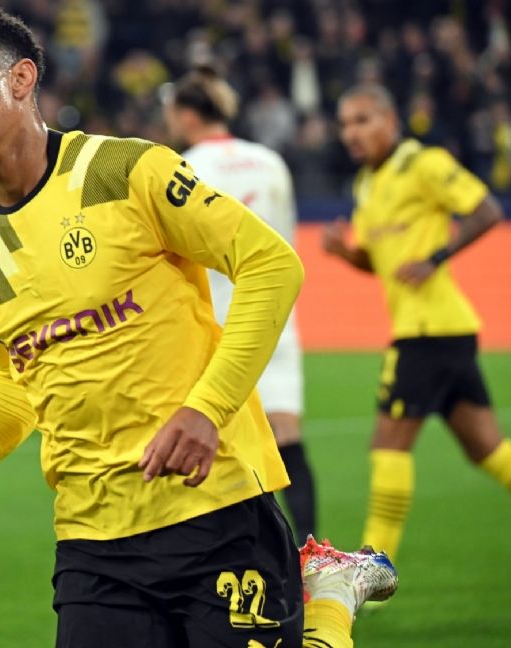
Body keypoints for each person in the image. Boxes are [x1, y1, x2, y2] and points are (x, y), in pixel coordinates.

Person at [0, 9, 395, 648]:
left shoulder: (126, 171)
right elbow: (14, 373)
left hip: (214, 504)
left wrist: (207, 409)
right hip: (91, 538)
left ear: (21, 79)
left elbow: (271, 264)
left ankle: (332, 597)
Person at [323, 83, 511, 608]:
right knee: (486, 446)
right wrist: (344, 253)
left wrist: (437, 257)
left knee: (387, 446)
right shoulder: (365, 184)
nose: (351, 133)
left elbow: (486, 209)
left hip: (427, 333)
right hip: (444, 332)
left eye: (362, 120)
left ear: (390, 120)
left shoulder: (422, 163)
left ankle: (367, 581)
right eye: (344, 124)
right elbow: (379, 263)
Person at [161, 66, 318, 545]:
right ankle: (313, 554)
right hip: (274, 318)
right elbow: (285, 241)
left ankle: (241, 556)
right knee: (287, 438)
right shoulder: (270, 161)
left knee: (223, 447)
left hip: (217, 326)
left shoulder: (182, 167)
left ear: (188, 115)